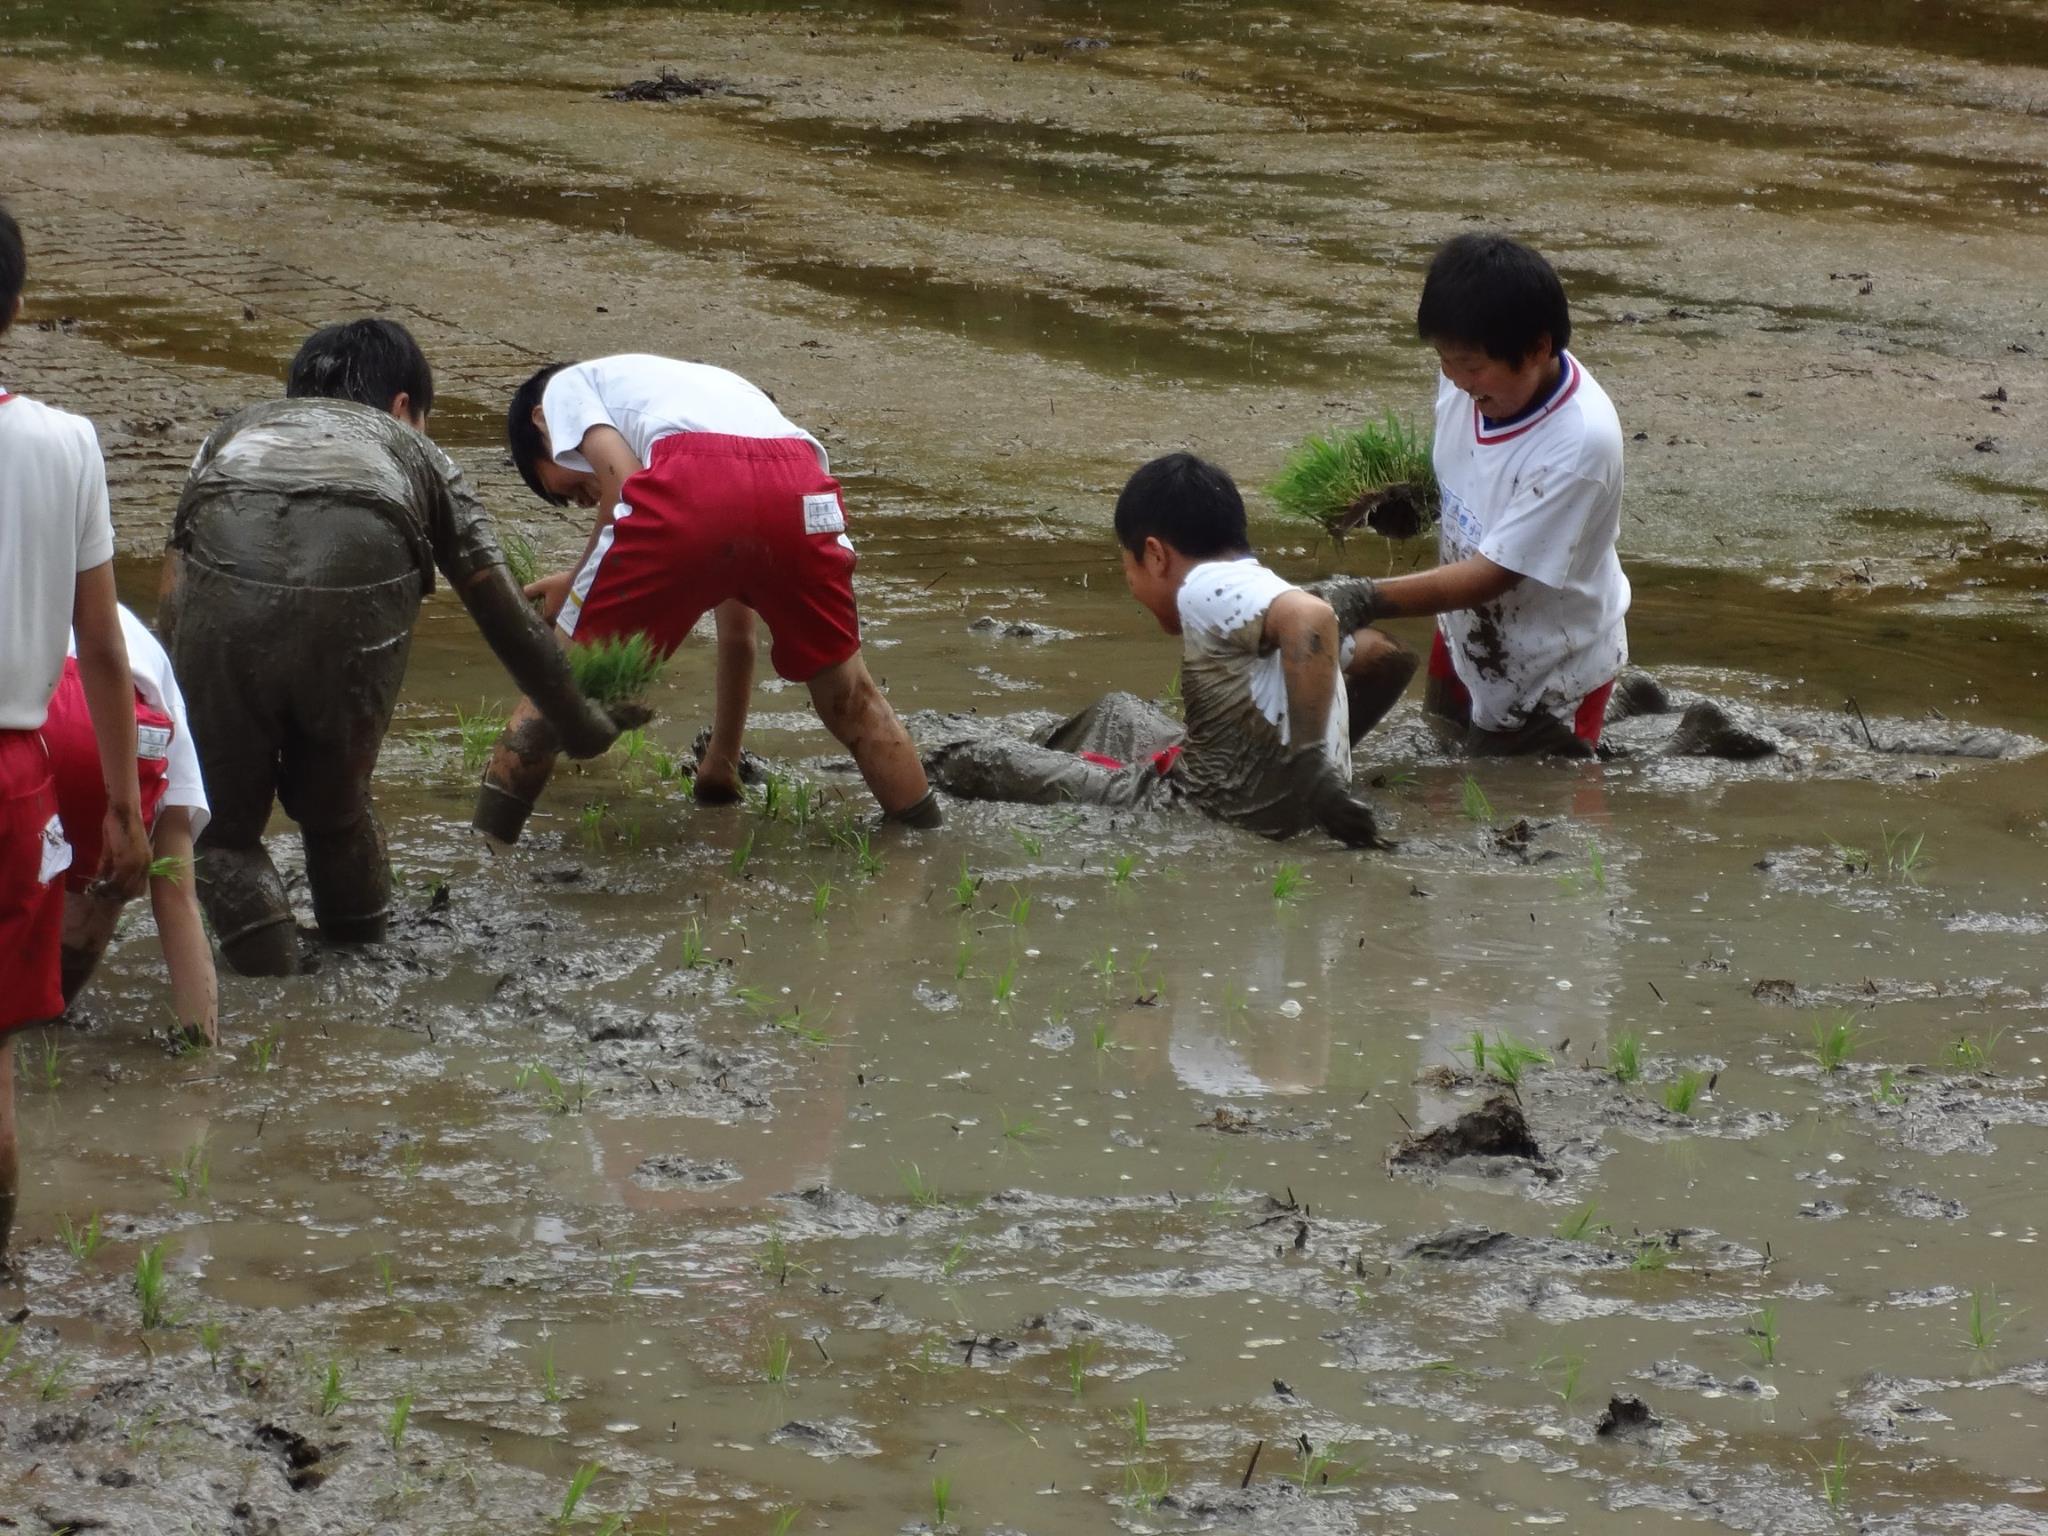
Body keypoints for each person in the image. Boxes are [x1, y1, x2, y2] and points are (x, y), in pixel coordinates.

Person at [158, 319, 625, 977]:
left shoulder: (230, 435)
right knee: (336, 810)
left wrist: (160, 730)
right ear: (405, 408)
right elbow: (505, 618)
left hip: (225, 599)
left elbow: (173, 598)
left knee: (224, 835)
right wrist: (579, 721)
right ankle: (363, 972)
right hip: (361, 579)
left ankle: (279, 997)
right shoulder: (417, 453)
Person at [473, 354, 938, 842]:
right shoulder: (703, 395)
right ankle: (929, 847)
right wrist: (721, 759)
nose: (578, 500)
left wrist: (574, 585)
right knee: (853, 699)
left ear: (542, 423)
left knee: (553, 687)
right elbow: (738, 636)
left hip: (695, 481)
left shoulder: (562, 389)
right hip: (801, 488)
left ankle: (486, 857)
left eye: (563, 488)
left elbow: (625, 486)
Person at [926, 453, 1411, 845]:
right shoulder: (1269, 589)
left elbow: (1312, 619)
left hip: (1195, 805)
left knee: (974, 757)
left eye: (1128, 568)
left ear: (1154, 555)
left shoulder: (1209, 589)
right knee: (1116, 712)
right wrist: (1318, 767)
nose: (1132, 585)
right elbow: (1387, 657)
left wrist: (1308, 763)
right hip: (1260, 789)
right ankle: (1046, 748)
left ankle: (913, 761)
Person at [0, 202, 150, 1264]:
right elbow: (102, 648)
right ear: (16, 304)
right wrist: (130, 818)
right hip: (16, 781)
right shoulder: (67, 443)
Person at [1359, 232, 1629, 756]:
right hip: (1466, 634)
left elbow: (1492, 577)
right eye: (1445, 359)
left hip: (1549, 671)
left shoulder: (1577, 445)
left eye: (1472, 366)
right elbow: (1480, 474)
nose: (1457, 381)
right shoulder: (1472, 378)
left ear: (1538, 348)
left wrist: (1360, 598)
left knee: (1524, 816)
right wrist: (1412, 503)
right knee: (1444, 770)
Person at [43, 603, 217, 1044]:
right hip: (130, 723)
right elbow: (178, 897)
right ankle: (49, 1017)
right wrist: (204, 1046)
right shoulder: (143, 644)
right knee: (110, 876)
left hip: (33, 699)